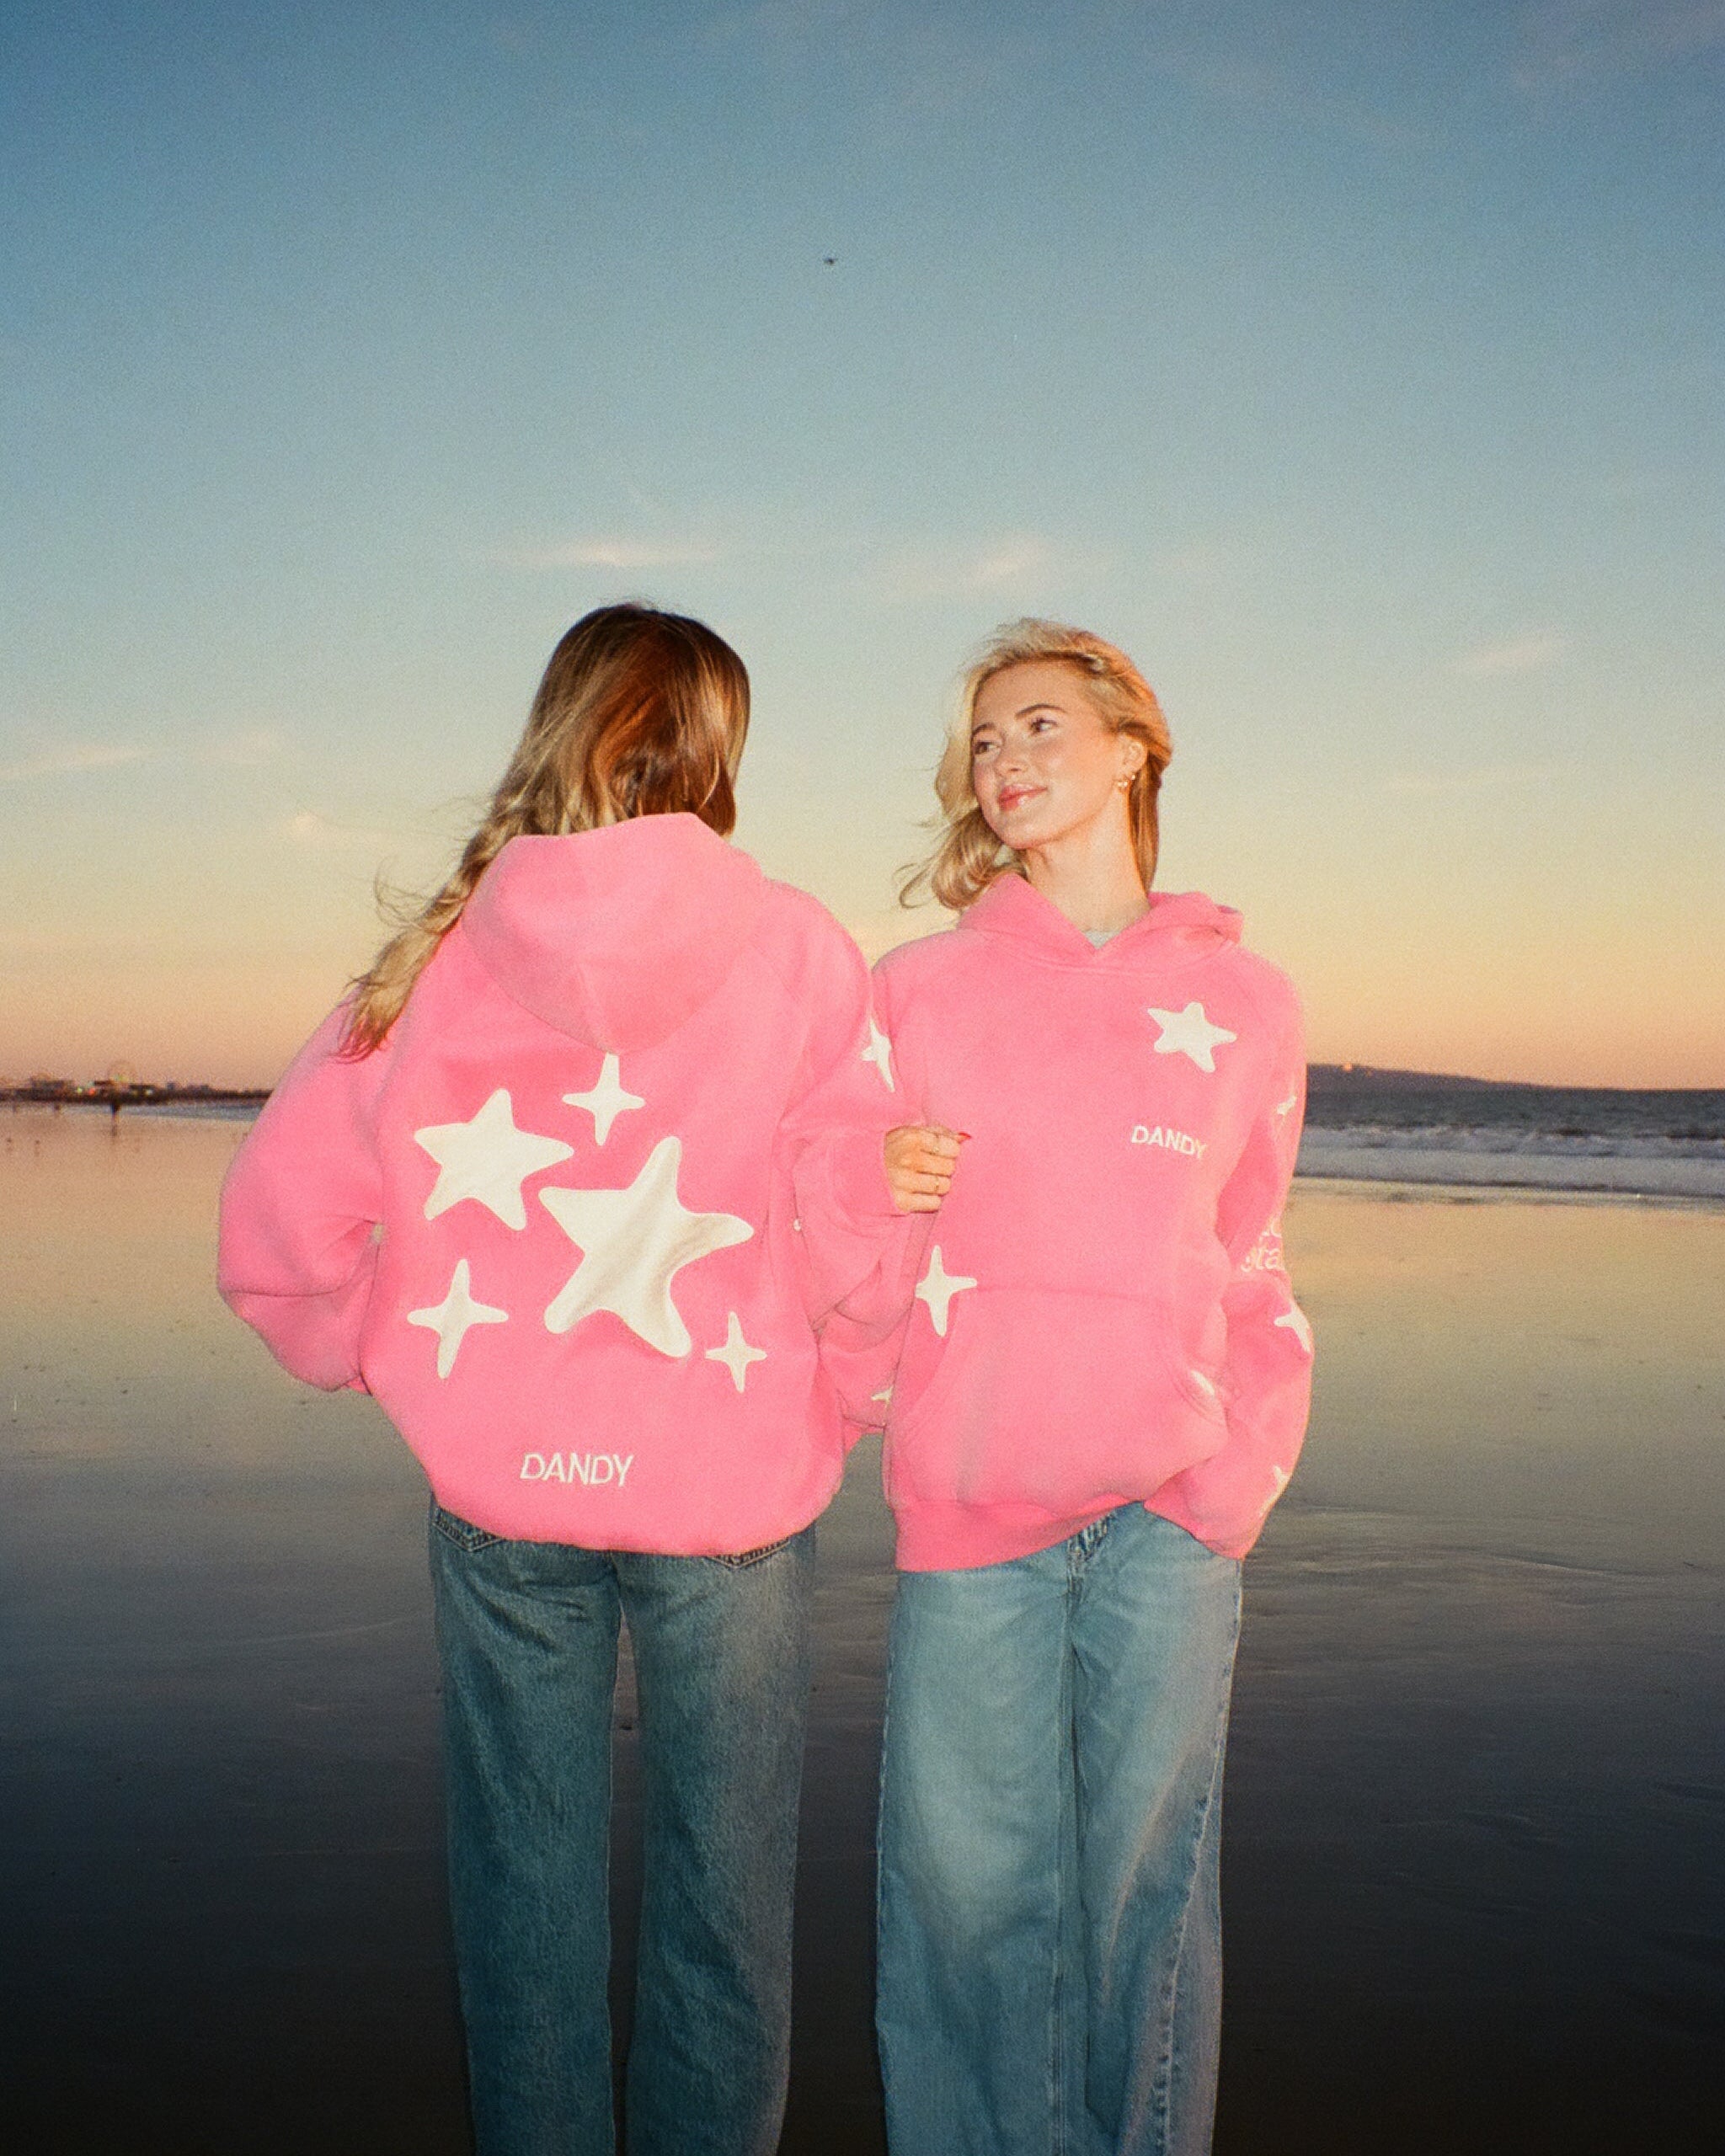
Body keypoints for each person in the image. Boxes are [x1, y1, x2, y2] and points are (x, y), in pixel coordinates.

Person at [216, 604, 923, 2156]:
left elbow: (286, 1219)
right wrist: (861, 1385)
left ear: (559, 727)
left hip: (504, 1501)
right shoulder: (801, 947)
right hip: (732, 1497)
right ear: (718, 749)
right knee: (723, 1917)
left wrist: (356, 1344)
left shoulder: (444, 954)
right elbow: (853, 1209)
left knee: (521, 1904)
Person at [835, 619, 1313, 2156]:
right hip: (973, 1500)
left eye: (1039, 726)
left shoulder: (1245, 1000)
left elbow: (1252, 1254)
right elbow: (835, 1224)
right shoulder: (916, 986)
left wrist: (1232, 1476)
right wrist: (870, 1180)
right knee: (967, 1897)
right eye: (985, 743)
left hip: (1171, 1509)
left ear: (1131, 745)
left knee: (1142, 1894)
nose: (1008, 762)